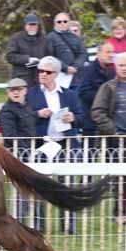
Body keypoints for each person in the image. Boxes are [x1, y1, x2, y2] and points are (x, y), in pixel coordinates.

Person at [27, 56, 84, 234]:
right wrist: (37, 114)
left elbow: (83, 117)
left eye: (47, 72)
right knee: (39, 185)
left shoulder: (69, 94)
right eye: (40, 71)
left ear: (56, 74)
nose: (43, 74)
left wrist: (73, 118)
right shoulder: (31, 93)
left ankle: (68, 225)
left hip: (64, 144)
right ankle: (39, 224)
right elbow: (23, 116)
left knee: (66, 185)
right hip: (42, 144)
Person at [90, 52, 126, 222]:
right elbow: (97, 112)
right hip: (116, 140)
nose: (124, 68)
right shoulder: (108, 87)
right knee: (119, 179)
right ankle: (120, 212)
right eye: (121, 65)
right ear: (115, 67)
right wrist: (114, 131)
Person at [78, 42, 115, 141]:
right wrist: (104, 98)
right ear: (99, 53)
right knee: (90, 153)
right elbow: (84, 92)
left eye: (113, 52)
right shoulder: (88, 70)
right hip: (90, 120)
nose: (111, 55)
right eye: (108, 52)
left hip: (108, 121)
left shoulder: (112, 71)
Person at [5, 13, 52, 88]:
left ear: (38, 25)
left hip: (39, 79)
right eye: (30, 24)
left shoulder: (44, 40)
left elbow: (49, 57)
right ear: (25, 25)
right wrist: (27, 59)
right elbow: (10, 56)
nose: (32, 27)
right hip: (21, 79)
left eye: (34, 24)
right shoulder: (16, 38)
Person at [46, 12, 88, 89]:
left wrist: (76, 66)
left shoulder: (75, 37)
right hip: (58, 77)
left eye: (65, 21)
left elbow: (83, 53)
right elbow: (50, 56)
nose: (62, 23)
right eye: (59, 22)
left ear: (68, 22)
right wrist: (65, 68)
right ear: (55, 23)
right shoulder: (50, 38)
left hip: (75, 77)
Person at [0, 78, 37, 152]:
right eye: (12, 90)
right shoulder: (6, 110)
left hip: (30, 148)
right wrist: (27, 150)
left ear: (25, 91)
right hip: (17, 153)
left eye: (19, 90)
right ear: (8, 92)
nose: (15, 92)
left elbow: (30, 128)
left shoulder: (27, 106)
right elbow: (10, 136)